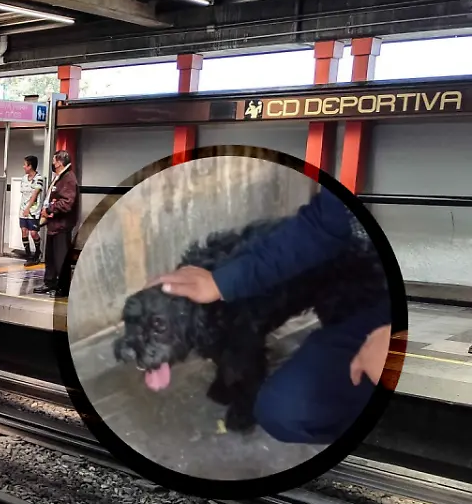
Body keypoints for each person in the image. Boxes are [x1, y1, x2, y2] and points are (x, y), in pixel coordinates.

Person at [154, 188, 392, 444]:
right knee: (285, 409)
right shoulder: (353, 180)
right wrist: (221, 282)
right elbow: (321, 227)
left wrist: (394, 341)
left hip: (397, 305)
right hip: (370, 295)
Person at [34, 150, 78, 297]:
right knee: (51, 258)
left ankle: (64, 288)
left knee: (61, 258)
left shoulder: (68, 178)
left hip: (62, 225)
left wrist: (50, 209)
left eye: (54, 160)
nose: (52, 163)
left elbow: (67, 203)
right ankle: (50, 282)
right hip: (53, 224)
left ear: (59, 162)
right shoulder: (60, 177)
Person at [18, 155, 44, 266]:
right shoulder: (24, 178)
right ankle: (28, 255)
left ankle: (38, 252)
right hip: (22, 209)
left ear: (30, 166)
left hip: (33, 211)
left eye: (25, 164)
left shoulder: (39, 178)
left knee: (33, 233)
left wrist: (28, 208)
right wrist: (23, 209)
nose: (23, 167)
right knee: (24, 231)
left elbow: (35, 194)